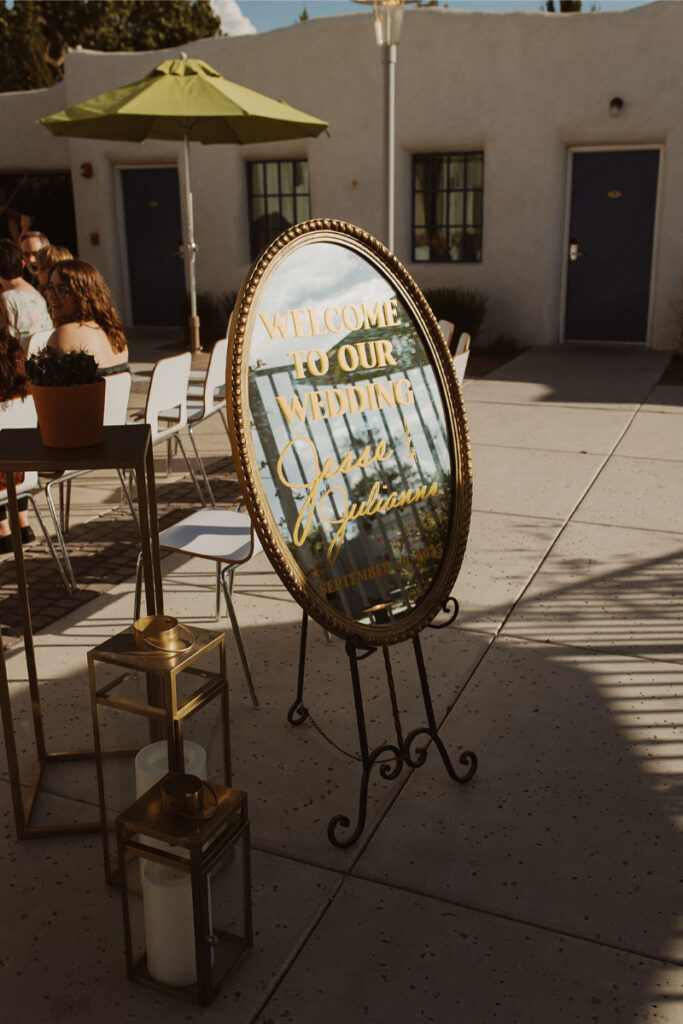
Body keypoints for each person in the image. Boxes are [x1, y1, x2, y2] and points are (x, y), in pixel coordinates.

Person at [45, 259, 129, 373]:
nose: (52, 296)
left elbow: (46, 389)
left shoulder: (64, 333)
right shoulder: (114, 334)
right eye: (50, 287)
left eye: (61, 290)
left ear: (82, 295)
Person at [0, 303, 34, 553]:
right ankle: (23, 522)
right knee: (12, 441)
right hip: (24, 467)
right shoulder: (14, 350)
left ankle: (3, 529)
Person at [0, 239, 52, 352]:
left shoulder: (7, 299)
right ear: (22, 264)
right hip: (42, 357)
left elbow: (5, 340)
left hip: (19, 362)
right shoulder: (36, 294)